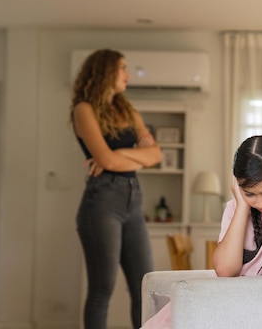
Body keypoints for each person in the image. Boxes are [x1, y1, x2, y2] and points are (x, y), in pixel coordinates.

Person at [142, 134, 262, 328]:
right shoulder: (236, 208)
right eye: (250, 194)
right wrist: (242, 206)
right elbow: (225, 271)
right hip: (226, 301)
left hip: (258, 309)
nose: (260, 203)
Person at [70, 49, 162, 329]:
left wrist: (118, 155)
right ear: (104, 71)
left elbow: (156, 155)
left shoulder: (127, 109)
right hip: (101, 201)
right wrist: (134, 154)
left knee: (144, 285)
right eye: (122, 68)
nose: (128, 74)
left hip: (132, 198)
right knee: (102, 288)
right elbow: (107, 160)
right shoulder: (83, 109)